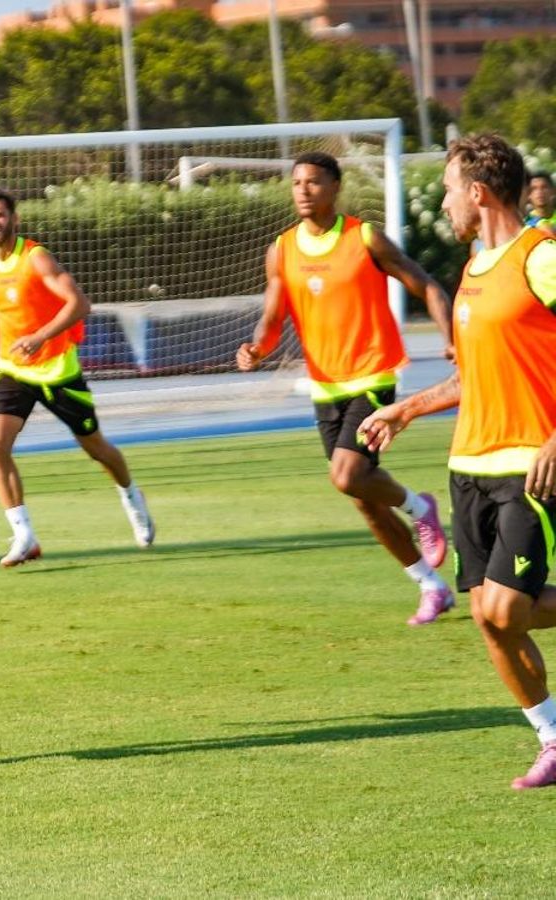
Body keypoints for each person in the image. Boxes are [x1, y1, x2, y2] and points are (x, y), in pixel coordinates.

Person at [360, 134, 556, 788]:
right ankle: (552, 738)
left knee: (505, 610)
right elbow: (473, 378)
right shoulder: (472, 270)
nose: (442, 204)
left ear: (477, 192)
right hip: (469, 467)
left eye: (447, 190)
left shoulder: (542, 256)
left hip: (533, 465)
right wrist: (404, 410)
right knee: (488, 615)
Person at [238, 152, 456, 626]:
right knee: (362, 498)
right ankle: (430, 586)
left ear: (335, 188)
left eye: (314, 182)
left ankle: (422, 508)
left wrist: (450, 338)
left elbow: (427, 285)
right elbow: (273, 317)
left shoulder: (364, 237)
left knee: (347, 474)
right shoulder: (282, 249)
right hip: (325, 384)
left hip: (373, 374)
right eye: (297, 182)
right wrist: (257, 347)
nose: (303, 190)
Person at [0, 188, 154, 567]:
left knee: (96, 448)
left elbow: (79, 304)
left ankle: (131, 495)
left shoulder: (35, 258)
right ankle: (24, 535)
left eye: (0, 216)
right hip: (12, 369)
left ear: (14, 219)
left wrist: (39, 338)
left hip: (57, 368)